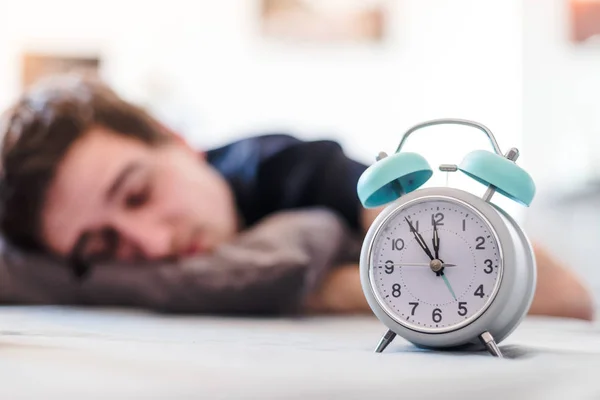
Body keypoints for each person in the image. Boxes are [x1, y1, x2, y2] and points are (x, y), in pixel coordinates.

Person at [0, 74, 594, 320]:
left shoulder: (286, 166)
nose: (154, 245)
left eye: (137, 193)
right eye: (101, 246)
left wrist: (333, 288)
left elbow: (562, 295)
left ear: (174, 139)